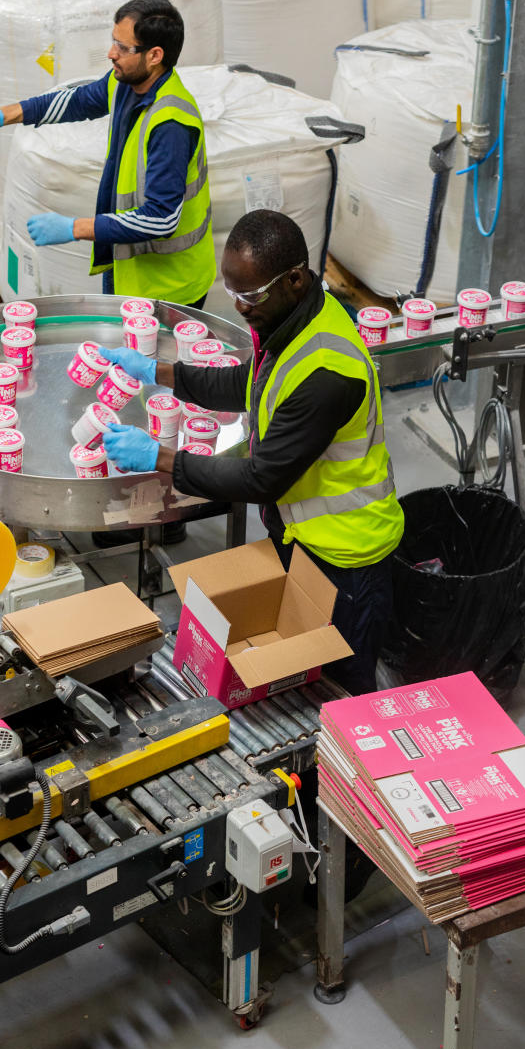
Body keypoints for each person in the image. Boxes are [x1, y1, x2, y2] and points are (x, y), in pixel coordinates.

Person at [103, 209, 405, 696]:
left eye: (250, 296)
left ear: (293, 278)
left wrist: (160, 458)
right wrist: (162, 373)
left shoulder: (328, 371)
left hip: (347, 555)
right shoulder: (294, 315)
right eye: (234, 294)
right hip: (305, 531)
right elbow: (254, 384)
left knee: (343, 689)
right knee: (301, 665)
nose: (241, 308)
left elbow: (261, 479)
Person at [0, 0, 215, 308]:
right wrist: (2, 115)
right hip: (134, 275)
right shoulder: (126, 83)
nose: (110, 53)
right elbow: (79, 101)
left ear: (155, 55)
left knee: (149, 358)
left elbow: (161, 220)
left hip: (169, 289)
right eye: (113, 41)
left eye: (123, 47)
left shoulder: (170, 123)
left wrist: (73, 228)